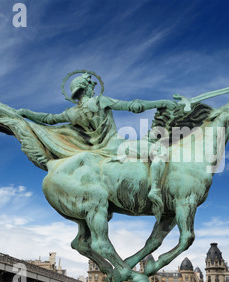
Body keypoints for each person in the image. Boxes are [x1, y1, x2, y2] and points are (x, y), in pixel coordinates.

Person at [17, 73, 174, 220]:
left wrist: (27, 113)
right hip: (117, 146)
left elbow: (48, 118)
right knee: (159, 150)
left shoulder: (71, 113)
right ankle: (155, 190)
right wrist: (161, 103)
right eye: (91, 85)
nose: (93, 88)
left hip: (97, 150)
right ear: (86, 88)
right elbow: (134, 106)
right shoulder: (99, 101)